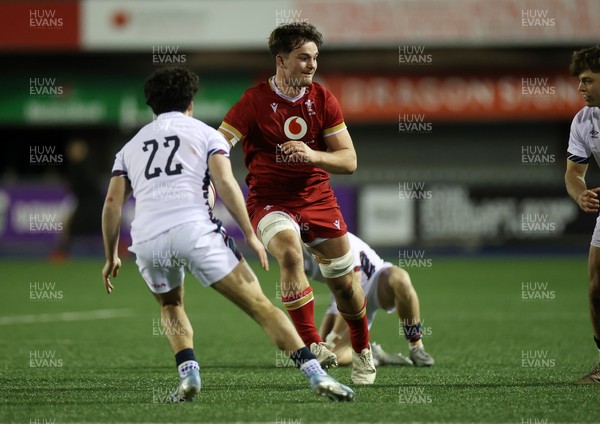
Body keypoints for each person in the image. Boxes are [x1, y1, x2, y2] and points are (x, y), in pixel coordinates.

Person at [101, 67, 355, 402]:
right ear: (191, 102)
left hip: (148, 240)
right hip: (194, 230)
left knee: (171, 304)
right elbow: (224, 183)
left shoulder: (129, 147)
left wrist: (110, 256)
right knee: (260, 307)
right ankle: (316, 375)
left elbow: (111, 203)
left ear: (151, 105)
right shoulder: (207, 134)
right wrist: (249, 233)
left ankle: (189, 374)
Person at [218, 23, 375, 384]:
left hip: (318, 200)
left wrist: (312, 155)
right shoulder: (253, 101)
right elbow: (219, 144)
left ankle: (363, 350)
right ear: (281, 60)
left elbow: (349, 161)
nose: (311, 65)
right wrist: (209, 171)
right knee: (289, 253)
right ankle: (312, 343)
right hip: (269, 201)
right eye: (303, 57)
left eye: (315, 58)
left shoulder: (323, 100)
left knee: (345, 285)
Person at [304, 232, 435, 367]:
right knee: (326, 355)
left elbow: (352, 291)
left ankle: (416, 345)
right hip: (342, 296)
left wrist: (335, 335)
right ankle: (372, 354)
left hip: (374, 283)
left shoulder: (332, 237)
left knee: (400, 279)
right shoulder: (293, 249)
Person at [564, 45, 600, 384]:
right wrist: (580, 195)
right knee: (596, 288)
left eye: (587, 80)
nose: (580, 88)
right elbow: (574, 173)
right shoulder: (584, 120)